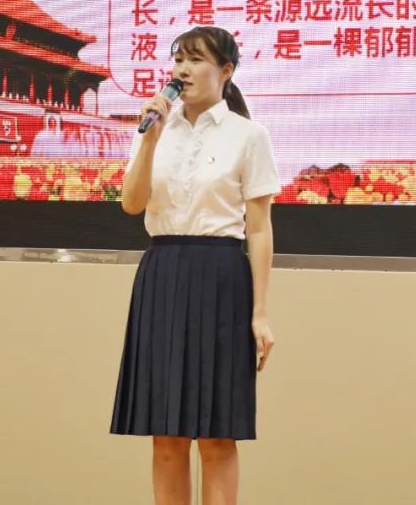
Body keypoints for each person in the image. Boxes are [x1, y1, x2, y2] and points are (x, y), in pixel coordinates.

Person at [111, 26, 279, 505]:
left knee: (217, 435)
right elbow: (131, 204)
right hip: (162, 275)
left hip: (221, 279)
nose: (182, 70)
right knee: (165, 435)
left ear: (225, 71)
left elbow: (259, 229)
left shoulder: (248, 135)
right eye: (178, 59)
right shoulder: (155, 129)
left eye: (195, 60)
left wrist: (260, 313)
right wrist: (149, 140)